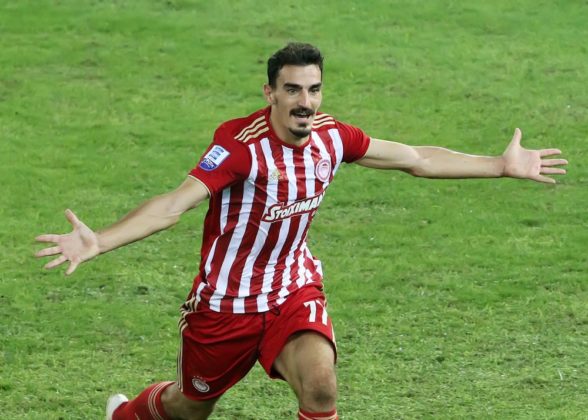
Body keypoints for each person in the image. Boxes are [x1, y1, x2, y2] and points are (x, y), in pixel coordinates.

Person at [35, 42, 567, 420]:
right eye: (292, 89)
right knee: (189, 407)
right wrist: (101, 240)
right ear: (270, 92)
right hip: (226, 305)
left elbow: (415, 158)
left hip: (292, 289)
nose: (304, 102)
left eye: (313, 90)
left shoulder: (333, 137)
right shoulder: (240, 147)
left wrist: (499, 165)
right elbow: (174, 205)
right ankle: (127, 414)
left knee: (320, 387)